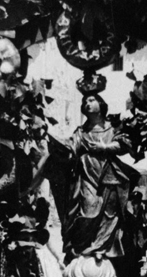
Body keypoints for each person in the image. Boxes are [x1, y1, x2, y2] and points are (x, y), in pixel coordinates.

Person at [49, 94, 137, 260]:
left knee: (109, 214)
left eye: (91, 100)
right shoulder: (81, 132)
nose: (86, 103)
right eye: (84, 101)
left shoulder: (113, 128)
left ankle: (100, 248)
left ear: (101, 104)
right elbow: (70, 149)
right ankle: (83, 248)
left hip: (109, 176)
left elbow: (125, 144)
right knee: (89, 210)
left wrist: (104, 147)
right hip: (87, 174)